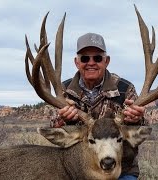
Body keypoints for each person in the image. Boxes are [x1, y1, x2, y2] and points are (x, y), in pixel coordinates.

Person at [51, 32, 147, 180]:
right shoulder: (63, 90)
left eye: (97, 58)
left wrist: (136, 119)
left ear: (106, 61)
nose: (91, 63)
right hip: (76, 171)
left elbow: (141, 131)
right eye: (84, 58)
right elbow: (53, 132)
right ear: (77, 62)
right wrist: (63, 119)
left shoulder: (124, 88)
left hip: (121, 170)